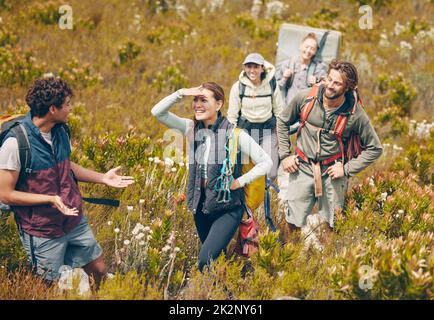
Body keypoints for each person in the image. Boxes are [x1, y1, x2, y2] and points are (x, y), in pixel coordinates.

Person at [0, 77, 134, 287]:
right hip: (42, 230)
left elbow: (65, 166)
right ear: (53, 109)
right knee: (48, 286)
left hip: (73, 219)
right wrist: (50, 199)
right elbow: (5, 194)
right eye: (67, 105)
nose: (70, 109)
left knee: (98, 269)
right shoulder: (15, 143)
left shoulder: (60, 131)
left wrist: (102, 178)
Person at [151, 82, 272, 271]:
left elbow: (266, 162)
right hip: (201, 206)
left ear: (218, 104)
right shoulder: (191, 128)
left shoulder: (235, 134)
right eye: (196, 100)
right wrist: (181, 92)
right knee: (216, 261)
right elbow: (158, 112)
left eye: (204, 100)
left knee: (204, 260)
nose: (198, 104)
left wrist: (239, 181)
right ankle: (228, 291)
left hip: (228, 208)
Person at [276, 59, 383, 239]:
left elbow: (375, 148)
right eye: (329, 79)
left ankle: (326, 264)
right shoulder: (305, 98)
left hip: (333, 172)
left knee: (332, 225)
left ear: (348, 87)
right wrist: (285, 155)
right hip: (302, 167)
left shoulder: (355, 114)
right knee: (292, 222)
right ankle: (290, 261)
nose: (330, 86)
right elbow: (282, 121)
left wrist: (346, 169)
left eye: (337, 83)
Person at [227, 53, 284, 181]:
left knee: (270, 171)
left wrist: (281, 135)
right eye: (249, 66)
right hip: (245, 131)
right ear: (244, 68)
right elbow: (232, 116)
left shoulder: (272, 84)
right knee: (241, 170)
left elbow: (279, 111)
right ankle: (246, 198)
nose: (252, 70)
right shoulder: (238, 87)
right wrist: (231, 138)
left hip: (268, 130)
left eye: (256, 67)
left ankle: (265, 193)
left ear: (262, 68)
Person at [276, 32, 328, 106]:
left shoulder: (318, 69)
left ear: (315, 52)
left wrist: (316, 84)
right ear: (301, 46)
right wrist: (284, 78)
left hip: (306, 109)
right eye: (306, 47)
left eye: (312, 48)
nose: (308, 51)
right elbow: (276, 88)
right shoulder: (287, 65)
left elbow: (326, 90)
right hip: (288, 107)